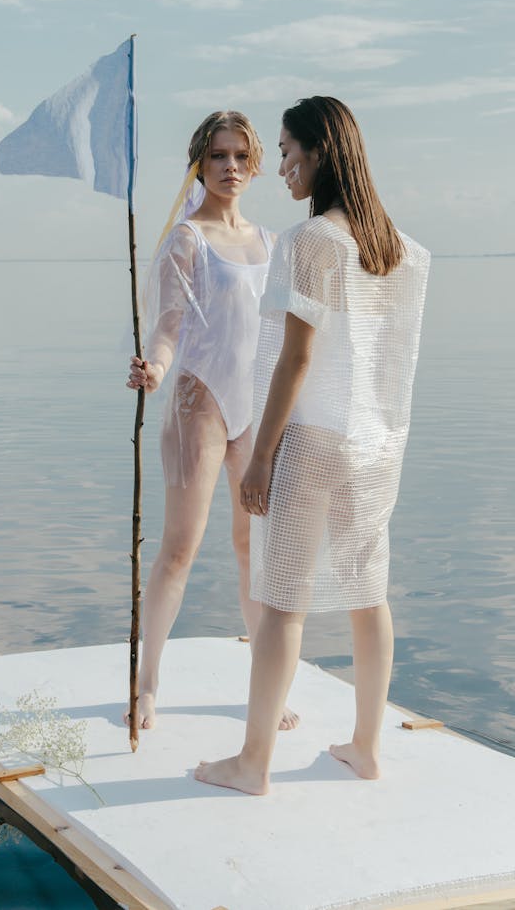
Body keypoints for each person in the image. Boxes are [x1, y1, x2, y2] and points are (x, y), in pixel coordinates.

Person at [195, 96, 430, 793]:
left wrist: (261, 453)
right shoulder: (400, 249)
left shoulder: (310, 242)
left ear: (321, 153)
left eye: (290, 155)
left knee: (280, 602)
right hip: (376, 445)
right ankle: (364, 746)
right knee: (368, 594)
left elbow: (296, 359)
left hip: (315, 439)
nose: (284, 170)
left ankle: (253, 762)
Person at [125, 110, 299, 732]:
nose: (231, 168)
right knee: (179, 550)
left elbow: (284, 339)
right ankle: (147, 687)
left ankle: (267, 687)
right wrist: (155, 369)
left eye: (242, 158)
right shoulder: (186, 240)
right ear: (200, 163)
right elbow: (170, 327)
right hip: (201, 403)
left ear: (255, 166)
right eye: (220, 156)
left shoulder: (273, 242)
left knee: (255, 548)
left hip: (257, 408)